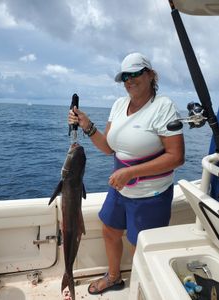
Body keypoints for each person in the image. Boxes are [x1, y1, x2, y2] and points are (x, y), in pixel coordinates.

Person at [68, 52, 185, 295]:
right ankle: (113, 277)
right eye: (124, 77)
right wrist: (87, 126)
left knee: (139, 246)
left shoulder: (163, 107)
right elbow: (109, 147)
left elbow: (176, 157)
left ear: (150, 74)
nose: (129, 80)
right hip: (121, 186)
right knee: (109, 230)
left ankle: (146, 290)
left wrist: (131, 172)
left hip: (150, 193)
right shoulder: (120, 105)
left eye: (135, 73)